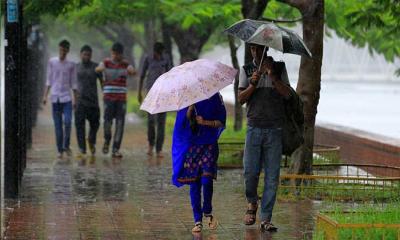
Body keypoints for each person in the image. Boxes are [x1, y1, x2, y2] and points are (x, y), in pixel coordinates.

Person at [238, 44, 291, 232]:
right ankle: (252, 203)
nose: (256, 52)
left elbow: (287, 94)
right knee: (250, 173)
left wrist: (272, 76)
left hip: (274, 130)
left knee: (272, 177)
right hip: (254, 128)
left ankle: (266, 218)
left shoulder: (280, 67)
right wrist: (254, 83)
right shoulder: (246, 70)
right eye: (253, 49)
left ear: (266, 49)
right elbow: (241, 99)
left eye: (259, 48)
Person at [171, 93, 226, 233]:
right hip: (192, 145)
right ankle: (197, 220)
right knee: (194, 182)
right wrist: (189, 111)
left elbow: (221, 122)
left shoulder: (216, 98)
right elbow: (181, 125)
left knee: (207, 180)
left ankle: (207, 211)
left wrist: (205, 122)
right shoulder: (188, 99)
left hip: (209, 145)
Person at [96, 42, 136, 158]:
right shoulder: (106, 62)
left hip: (121, 99)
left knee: (120, 123)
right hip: (108, 98)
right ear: (111, 52)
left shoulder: (125, 64)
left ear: (121, 54)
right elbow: (98, 69)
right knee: (107, 122)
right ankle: (107, 140)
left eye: (117, 54)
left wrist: (132, 71)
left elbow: (133, 71)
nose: (115, 56)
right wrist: (100, 69)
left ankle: (115, 149)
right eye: (113, 53)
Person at [43, 39, 78, 158]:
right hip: (55, 98)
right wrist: (45, 96)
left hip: (66, 98)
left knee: (68, 122)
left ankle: (66, 145)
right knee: (58, 126)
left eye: (65, 50)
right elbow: (49, 79)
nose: (62, 52)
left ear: (68, 50)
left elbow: (73, 83)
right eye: (61, 49)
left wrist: (75, 99)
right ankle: (60, 150)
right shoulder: (52, 62)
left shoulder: (71, 65)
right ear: (59, 49)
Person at [138, 42, 173, 158]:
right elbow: (142, 75)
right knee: (151, 121)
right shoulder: (148, 58)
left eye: (160, 54)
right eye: (157, 54)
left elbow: (171, 75)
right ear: (154, 52)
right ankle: (150, 145)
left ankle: (159, 149)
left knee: (161, 123)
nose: (158, 56)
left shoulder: (166, 59)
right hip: (151, 93)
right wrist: (139, 92)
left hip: (164, 93)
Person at [75, 45, 103, 158]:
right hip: (80, 101)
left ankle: (91, 140)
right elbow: (71, 84)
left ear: (91, 55)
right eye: (84, 54)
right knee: (79, 125)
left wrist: (105, 93)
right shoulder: (76, 67)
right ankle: (82, 149)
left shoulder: (96, 67)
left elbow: (102, 82)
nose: (86, 56)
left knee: (95, 124)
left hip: (93, 102)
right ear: (80, 54)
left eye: (88, 55)